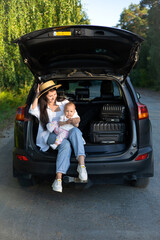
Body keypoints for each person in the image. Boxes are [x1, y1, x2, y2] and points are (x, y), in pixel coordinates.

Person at [28, 80, 88, 193]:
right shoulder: (41, 108)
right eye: (50, 96)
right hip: (50, 135)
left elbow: (77, 119)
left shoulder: (64, 102)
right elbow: (31, 109)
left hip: (67, 130)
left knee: (76, 131)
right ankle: (58, 180)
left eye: (54, 94)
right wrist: (36, 95)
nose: (53, 97)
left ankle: (82, 166)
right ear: (44, 96)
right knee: (65, 144)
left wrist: (71, 120)